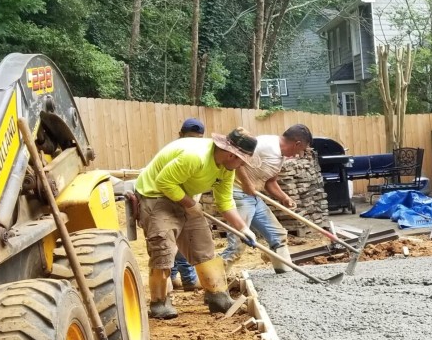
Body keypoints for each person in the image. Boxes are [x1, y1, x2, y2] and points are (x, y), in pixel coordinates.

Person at [134, 127, 261, 319]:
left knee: (204, 247)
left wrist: (243, 229)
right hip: (155, 195)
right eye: (243, 161)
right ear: (231, 155)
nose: (243, 165)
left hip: (183, 196)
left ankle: (218, 297)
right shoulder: (195, 157)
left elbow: (225, 201)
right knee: (164, 249)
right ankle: (159, 303)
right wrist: (191, 204)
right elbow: (164, 182)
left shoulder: (226, 169)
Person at [220, 124, 314, 273]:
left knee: (278, 235)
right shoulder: (264, 145)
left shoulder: (280, 155)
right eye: (301, 150)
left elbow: (270, 182)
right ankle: (214, 281)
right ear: (297, 144)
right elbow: (237, 159)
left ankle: (285, 274)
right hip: (238, 194)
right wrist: (246, 183)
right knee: (238, 243)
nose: (298, 154)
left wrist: (284, 198)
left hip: (254, 196)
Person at [169, 118, 207, 292]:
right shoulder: (175, 153)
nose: (192, 143)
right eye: (189, 138)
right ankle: (188, 279)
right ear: (180, 135)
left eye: (197, 139)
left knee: (178, 243)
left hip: (188, 202)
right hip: (173, 202)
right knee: (180, 242)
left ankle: (173, 277)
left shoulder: (200, 154)